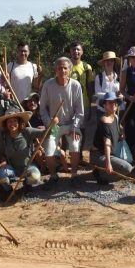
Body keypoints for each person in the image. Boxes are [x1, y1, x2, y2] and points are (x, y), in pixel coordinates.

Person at [39, 56, 85, 185]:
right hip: (54, 125)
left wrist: (76, 127)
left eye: (65, 68)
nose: (62, 70)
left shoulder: (75, 85)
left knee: (75, 146)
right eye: (60, 68)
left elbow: (80, 111)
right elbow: (42, 109)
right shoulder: (48, 85)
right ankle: (54, 176)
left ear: (69, 70)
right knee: (48, 151)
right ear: (55, 70)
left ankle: (74, 175)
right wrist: (50, 123)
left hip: (71, 124)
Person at [0, 107, 44, 198]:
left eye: (15, 121)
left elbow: (45, 133)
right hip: (12, 169)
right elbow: (2, 154)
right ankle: (8, 191)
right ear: (6, 124)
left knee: (35, 177)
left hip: (28, 167)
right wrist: (3, 160)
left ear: (19, 122)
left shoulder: (27, 132)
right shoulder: (3, 137)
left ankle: (28, 185)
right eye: (9, 121)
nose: (12, 124)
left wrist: (53, 124)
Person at [91, 91, 134, 184]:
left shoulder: (115, 116)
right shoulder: (104, 121)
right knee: (127, 169)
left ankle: (102, 171)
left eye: (115, 102)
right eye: (110, 102)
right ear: (105, 106)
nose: (113, 104)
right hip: (99, 155)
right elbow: (107, 144)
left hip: (112, 152)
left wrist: (122, 132)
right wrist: (108, 164)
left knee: (129, 163)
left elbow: (119, 126)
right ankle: (101, 174)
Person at [7, 41, 41, 106]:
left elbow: (36, 87)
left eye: (25, 51)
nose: (23, 53)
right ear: (17, 52)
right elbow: (6, 85)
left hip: (28, 104)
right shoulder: (10, 66)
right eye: (20, 51)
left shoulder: (33, 66)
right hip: (13, 103)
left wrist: (40, 74)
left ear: (29, 52)